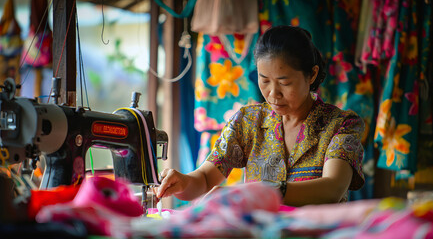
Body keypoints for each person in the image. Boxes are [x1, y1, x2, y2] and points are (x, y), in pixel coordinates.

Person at [155, 25, 365, 207]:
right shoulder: (248, 121)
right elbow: (204, 178)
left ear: (312, 74)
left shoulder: (340, 124)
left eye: (284, 83)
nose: (273, 94)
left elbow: (332, 189)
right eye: (264, 80)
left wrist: (258, 192)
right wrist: (181, 182)